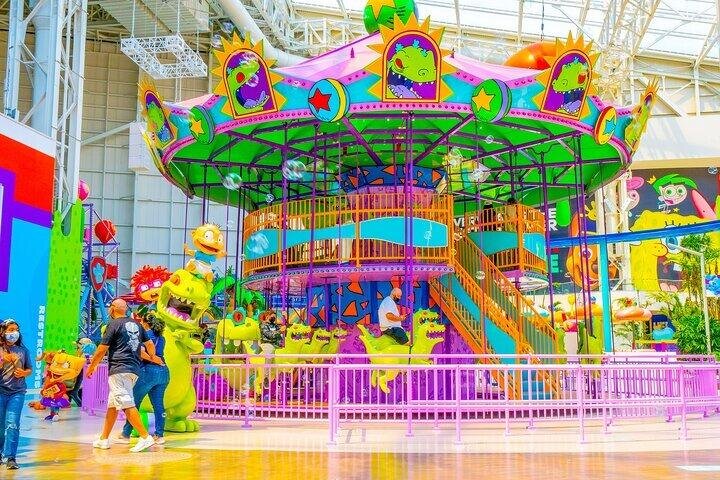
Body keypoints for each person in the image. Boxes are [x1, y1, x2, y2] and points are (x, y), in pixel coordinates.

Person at [86, 299, 160, 453]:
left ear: (112, 309)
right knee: (113, 405)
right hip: (133, 369)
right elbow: (150, 345)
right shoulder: (137, 324)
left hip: (119, 369)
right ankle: (103, 439)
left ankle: (145, 437)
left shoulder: (113, 324)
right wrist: (153, 357)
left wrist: (92, 367)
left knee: (126, 403)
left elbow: (101, 349)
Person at [118, 312, 169, 445]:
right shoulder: (162, 338)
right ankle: (159, 435)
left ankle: (126, 433)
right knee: (158, 405)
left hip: (148, 371)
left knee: (133, 403)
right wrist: (158, 361)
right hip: (163, 372)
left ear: (145, 323)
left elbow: (141, 353)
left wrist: (154, 360)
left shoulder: (144, 335)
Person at [0, 319, 32, 470]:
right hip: (1, 391)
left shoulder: (23, 351)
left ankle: (11, 457)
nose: (14, 333)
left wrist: (24, 373)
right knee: (1, 425)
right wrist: (3, 359)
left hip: (17, 392)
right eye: (11, 330)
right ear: (3, 332)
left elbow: (29, 369)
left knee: (12, 424)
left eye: (16, 330)